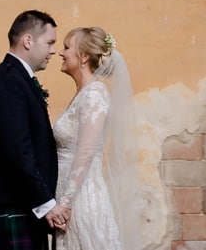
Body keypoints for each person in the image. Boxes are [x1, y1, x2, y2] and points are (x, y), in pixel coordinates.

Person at [0, 10, 66, 250]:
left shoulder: (15, 79)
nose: (53, 50)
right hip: (11, 205)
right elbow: (17, 151)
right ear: (27, 41)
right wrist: (46, 204)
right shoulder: (8, 82)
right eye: (50, 42)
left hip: (21, 204)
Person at [52, 26, 141, 250]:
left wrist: (66, 203)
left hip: (80, 199)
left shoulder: (94, 94)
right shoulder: (83, 94)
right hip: (67, 195)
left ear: (83, 56)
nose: (61, 53)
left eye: (66, 48)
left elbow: (86, 151)